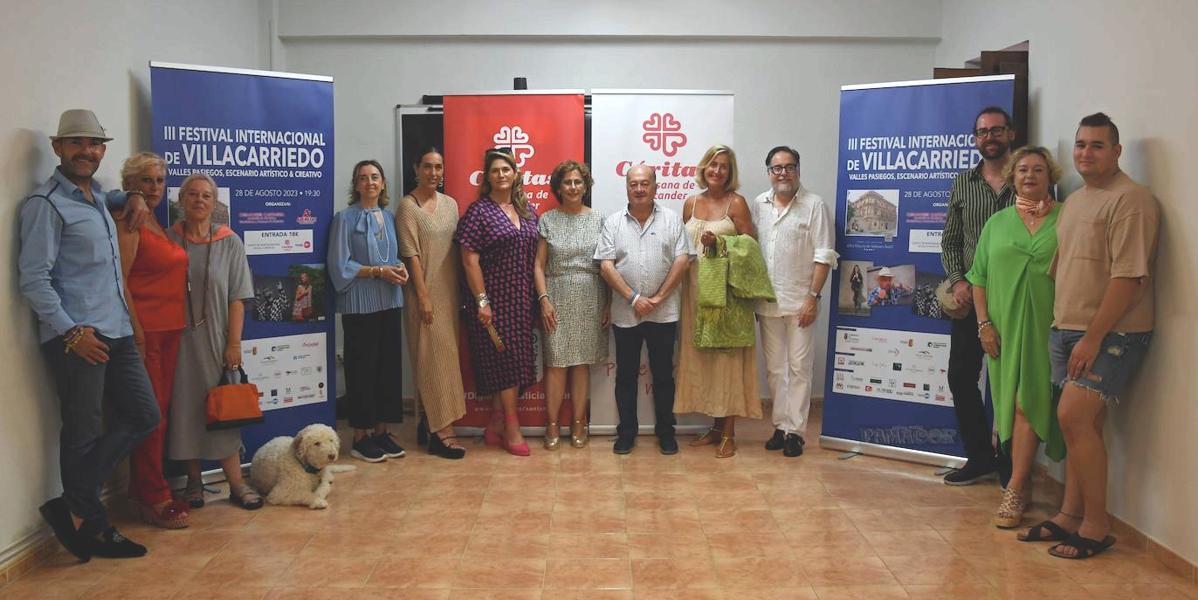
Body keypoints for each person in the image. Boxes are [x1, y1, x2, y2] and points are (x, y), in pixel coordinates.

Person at [18, 109, 157, 560]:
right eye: (76, 142)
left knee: (144, 414)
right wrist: (71, 332)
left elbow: (119, 193)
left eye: (94, 144)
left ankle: (72, 505)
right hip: (79, 337)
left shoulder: (97, 196)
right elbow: (34, 279)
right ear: (58, 147)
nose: (87, 151)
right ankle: (92, 524)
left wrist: (133, 192)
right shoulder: (45, 205)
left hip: (115, 328)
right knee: (83, 430)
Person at [1025, 114, 1158, 560]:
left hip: (1111, 334)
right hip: (1067, 329)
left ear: (1117, 151)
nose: (1086, 153)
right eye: (1081, 145)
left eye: (1098, 145)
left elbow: (1128, 279)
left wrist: (1092, 338)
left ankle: (1097, 527)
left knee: (1075, 420)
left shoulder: (1132, 200)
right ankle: (1069, 515)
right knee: (1083, 426)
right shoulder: (1077, 200)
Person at [966, 146, 1066, 529]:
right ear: (1012, 177)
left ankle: (1017, 488)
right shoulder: (997, 223)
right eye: (1022, 170)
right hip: (1003, 332)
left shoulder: (1065, 218)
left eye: (1038, 169)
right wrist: (983, 324)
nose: (1029, 176)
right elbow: (979, 278)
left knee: (1031, 403)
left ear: (1050, 176)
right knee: (1012, 405)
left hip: (1049, 330)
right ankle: (1019, 483)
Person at [167, 173, 263, 510]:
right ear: (181, 201)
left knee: (222, 410)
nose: (199, 200)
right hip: (178, 340)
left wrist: (233, 343)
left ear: (215, 203)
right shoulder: (169, 239)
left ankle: (237, 484)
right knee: (185, 410)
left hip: (217, 338)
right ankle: (193, 482)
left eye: (206, 195)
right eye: (192, 194)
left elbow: (238, 297)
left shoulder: (230, 241)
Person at [940, 106, 1017, 486]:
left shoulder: (1028, 178)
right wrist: (957, 280)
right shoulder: (963, 183)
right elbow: (951, 240)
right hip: (972, 300)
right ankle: (980, 457)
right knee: (960, 377)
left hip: (1017, 300)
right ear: (975, 139)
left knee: (1012, 383)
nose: (990, 137)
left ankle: (1012, 465)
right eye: (983, 132)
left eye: (997, 130)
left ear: (1010, 134)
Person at [595, 165, 691, 455]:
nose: (639, 188)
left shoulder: (672, 220)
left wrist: (659, 297)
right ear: (627, 187)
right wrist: (634, 298)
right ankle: (626, 433)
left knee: (663, 376)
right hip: (627, 314)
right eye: (634, 183)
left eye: (645, 183)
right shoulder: (613, 223)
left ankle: (666, 432)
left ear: (655, 186)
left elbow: (683, 260)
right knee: (625, 376)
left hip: (664, 313)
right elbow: (605, 265)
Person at [117, 152, 190, 529]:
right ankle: (154, 496)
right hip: (146, 333)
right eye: (146, 180)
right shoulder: (129, 220)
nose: (155, 188)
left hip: (171, 329)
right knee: (152, 416)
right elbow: (122, 281)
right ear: (129, 182)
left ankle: (141, 490)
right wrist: (138, 333)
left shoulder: (157, 221)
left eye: (160, 180)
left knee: (161, 413)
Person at [751, 146, 838, 458]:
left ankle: (796, 432)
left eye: (789, 167)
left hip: (801, 301)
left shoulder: (815, 206)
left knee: (799, 367)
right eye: (777, 168)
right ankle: (780, 425)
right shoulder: (758, 204)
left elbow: (824, 255)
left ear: (798, 170)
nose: (783, 173)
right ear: (769, 172)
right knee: (775, 369)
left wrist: (813, 298)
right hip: (767, 302)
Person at [674, 144, 759, 458]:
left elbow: (751, 246)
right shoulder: (690, 203)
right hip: (694, 291)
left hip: (726, 293)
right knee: (704, 358)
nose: (717, 170)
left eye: (723, 166)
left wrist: (721, 241)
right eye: (712, 164)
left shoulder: (737, 203)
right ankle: (714, 425)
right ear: (703, 167)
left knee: (726, 359)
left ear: (730, 171)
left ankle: (729, 432)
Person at [455, 149, 538, 457]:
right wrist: (481, 301)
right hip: (492, 299)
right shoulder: (479, 211)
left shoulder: (527, 211)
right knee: (505, 363)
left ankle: (496, 422)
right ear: (486, 177)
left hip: (521, 299)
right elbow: (468, 259)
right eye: (495, 171)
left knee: (519, 361)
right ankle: (512, 429)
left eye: (506, 169)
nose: (501, 174)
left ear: (515, 173)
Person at [328, 160, 410, 463]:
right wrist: (377, 271)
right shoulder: (344, 219)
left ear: (383, 183)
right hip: (359, 306)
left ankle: (381, 431)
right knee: (362, 370)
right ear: (356, 185)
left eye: (375, 177)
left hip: (390, 301)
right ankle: (360, 436)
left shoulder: (389, 218)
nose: (370, 182)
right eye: (363, 178)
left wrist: (400, 271)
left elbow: (395, 258)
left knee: (388, 369)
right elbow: (339, 267)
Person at [533, 160, 609, 450]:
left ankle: (579, 421)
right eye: (567, 182)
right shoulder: (548, 220)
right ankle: (552, 423)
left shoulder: (599, 220)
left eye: (578, 182)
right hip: (556, 295)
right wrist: (544, 299)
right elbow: (539, 266)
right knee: (555, 363)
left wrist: (608, 303)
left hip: (592, 294)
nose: (573, 187)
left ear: (586, 186)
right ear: (558, 187)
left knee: (580, 364)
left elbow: (606, 265)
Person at [398, 148, 467, 459]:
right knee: (432, 360)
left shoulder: (451, 205)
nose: (434, 173)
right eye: (427, 167)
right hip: (423, 295)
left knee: (443, 359)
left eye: (438, 167)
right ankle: (443, 432)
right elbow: (410, 255)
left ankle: (428, 423)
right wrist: (423, 297)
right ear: (417, 169)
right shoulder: (407, 208)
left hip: (449, 293)